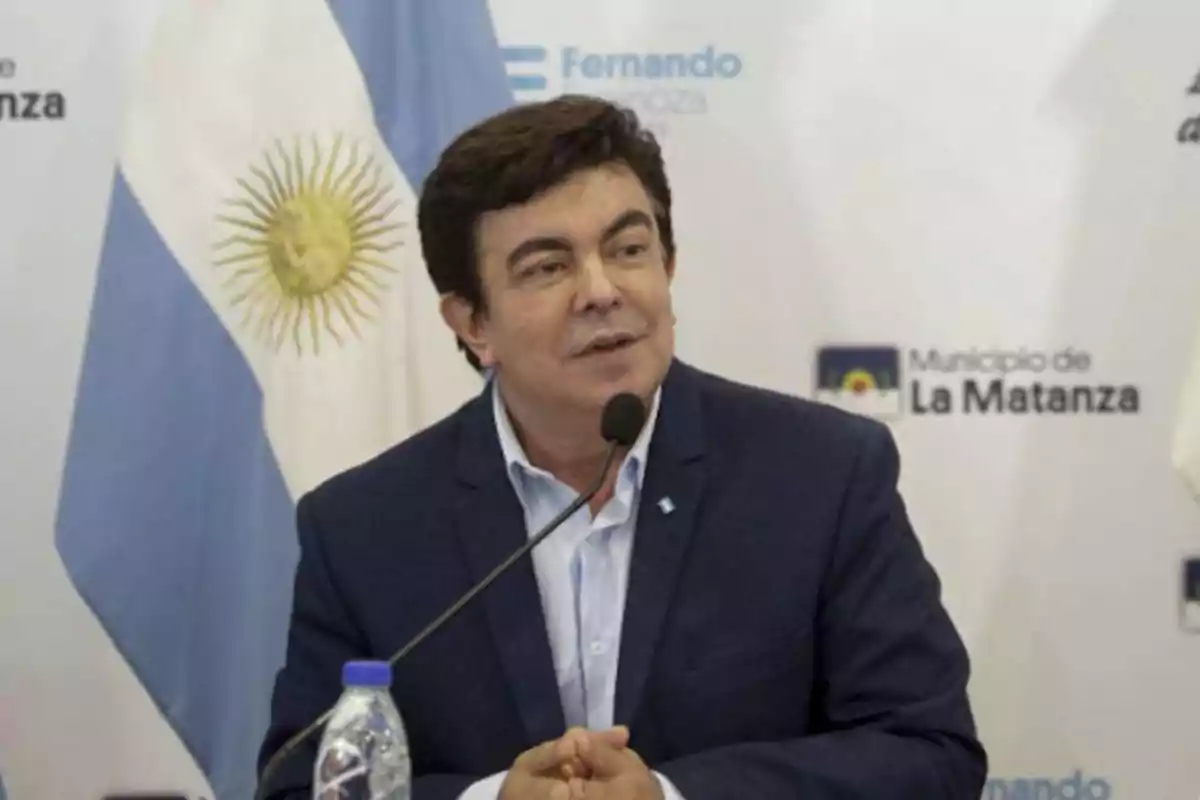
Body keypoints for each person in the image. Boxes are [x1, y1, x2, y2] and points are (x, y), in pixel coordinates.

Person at [257, 94, 987, 799]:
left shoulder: (821, 476)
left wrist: (672, 796)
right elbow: (302, 786)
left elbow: (927, 753)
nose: (602, 290)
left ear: (667, 268)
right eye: (547, 266)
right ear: (473, 323)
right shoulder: (363, 528)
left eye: (628, 248)